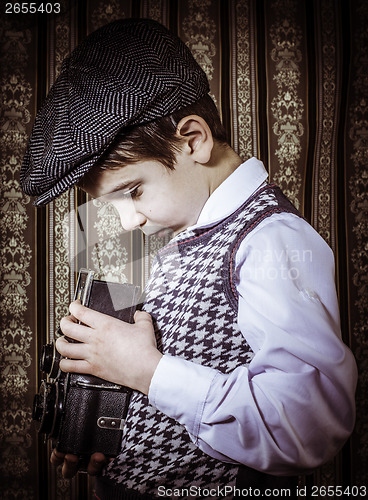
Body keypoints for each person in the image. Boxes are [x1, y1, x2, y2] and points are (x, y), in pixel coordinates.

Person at [21, 18, 357, 500]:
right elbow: (183, 370)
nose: (128, 223)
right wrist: (107, 426)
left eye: (132, 193)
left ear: (193, 139)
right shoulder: (187, 235)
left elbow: (308, 426)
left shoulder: (269, 240)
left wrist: (145, 371)